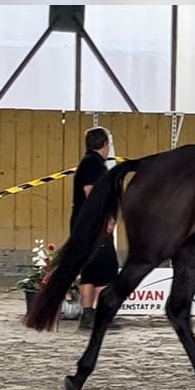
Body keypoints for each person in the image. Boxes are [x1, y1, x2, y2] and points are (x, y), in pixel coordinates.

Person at [71, 127, 120, 331]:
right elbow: (91, 192)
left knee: (90, 269)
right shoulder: (94, 164)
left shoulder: (88, 162)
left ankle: (88, 314)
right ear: (104, 144)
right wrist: (106, 218)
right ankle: (100, 316)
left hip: (84, 224)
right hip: (94, 225)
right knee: (105, 269)